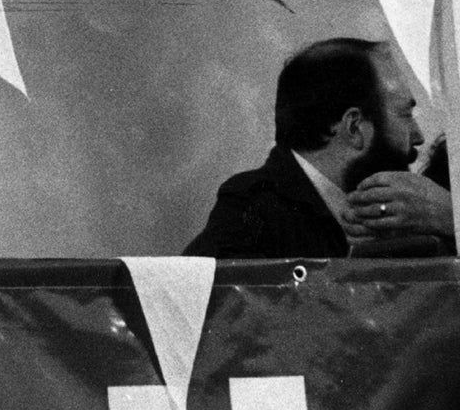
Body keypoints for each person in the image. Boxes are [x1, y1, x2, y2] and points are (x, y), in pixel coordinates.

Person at [184, 37, 452, 258]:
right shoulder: (251, 211)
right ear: (354, 127)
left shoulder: (408, 216)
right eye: (405, 116)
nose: (418, 137)